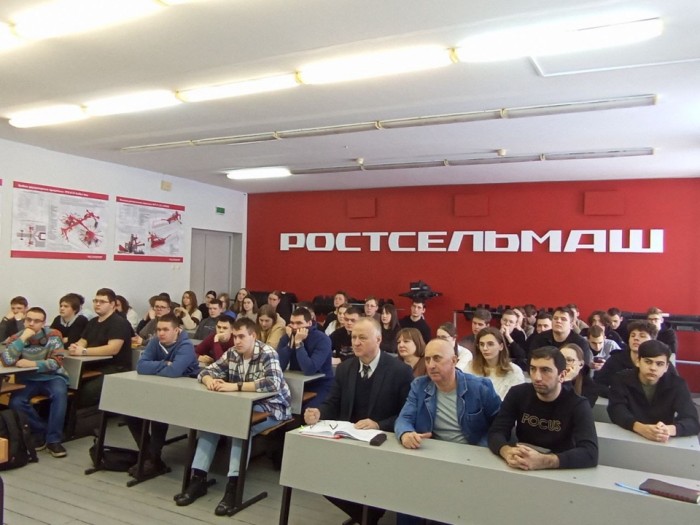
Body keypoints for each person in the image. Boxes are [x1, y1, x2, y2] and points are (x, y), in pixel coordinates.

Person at [174, 318, 291, 515]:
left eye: (241, 336)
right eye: (235, 337)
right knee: (210, 425)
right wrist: (210, 380)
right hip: (242, 406)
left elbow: (273, 383)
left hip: (273, 407)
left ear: (253, 336)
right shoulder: (232, 353)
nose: (237, 341)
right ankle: (198, 479)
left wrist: (234, 386)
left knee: (239, 428)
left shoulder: (267, 353)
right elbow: (206, 371)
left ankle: (233, 487)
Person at [303, 317, 413, 525]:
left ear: (378, 339)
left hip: (383, 443)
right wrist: (318, 412)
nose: (356, 342)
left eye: (362, 338)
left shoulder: (400, 371)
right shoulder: (346, 368)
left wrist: (379, 424)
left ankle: (369, 514)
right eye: (354, 337)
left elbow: (406, 415)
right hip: (349, 440)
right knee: (316, 475)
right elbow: (333, 402)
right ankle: (368, 516)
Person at [488, 346, 598, 470]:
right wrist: (506, 451)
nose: (537, 377)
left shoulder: (578, 404)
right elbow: (496, 432)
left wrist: (544, 461)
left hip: (558, 467)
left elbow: (590, 452)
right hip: (522, 459)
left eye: (545, 370)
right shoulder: (517, 393)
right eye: (533, 369)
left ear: (562, 375)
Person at [126, 313, 198, 477]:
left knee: (159, 413)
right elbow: (141, 366)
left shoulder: (186, 346)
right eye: (158, 329)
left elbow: (174, 371)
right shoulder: (155, 342)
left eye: (166, 329)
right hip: (159, 389)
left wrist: (156, 367)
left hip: (185, 394)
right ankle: (151, 458)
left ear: (177, 330)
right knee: (129, 413)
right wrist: (164, 363)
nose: (161, 333)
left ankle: (151, 459)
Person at [395, 338, 501, 448]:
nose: (431, 365)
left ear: (454, 361)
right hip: (432, 449)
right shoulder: (419, 386)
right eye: (427, 360)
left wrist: (483, 447)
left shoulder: (480, 387)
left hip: (473, 450)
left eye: (437, 358)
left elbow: (500, 424)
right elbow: (404, 418)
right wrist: (405, 433)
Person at [3, 307, 69, 458]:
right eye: (28, 320)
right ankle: (42, 430)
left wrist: (33, 364)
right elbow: (7, 360)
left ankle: (54, 440)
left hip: (52, 377)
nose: (31, 323)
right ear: (24, 320)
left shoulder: (54, 335)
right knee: (16, 402)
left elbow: (57, 362)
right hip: (27, 379)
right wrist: (22, 339)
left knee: (60, 394)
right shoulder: (16, 337)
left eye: (36, 321)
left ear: (43, 323)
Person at [608, 340, 699, 441]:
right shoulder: (621, 379)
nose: (653, 368)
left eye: (659, 364)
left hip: (663, 438)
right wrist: (640, 428)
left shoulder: (677, 384)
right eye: (648, 362)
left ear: (666, 367)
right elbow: (615, 409)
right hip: (629, 435)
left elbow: (692, 420)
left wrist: (668, 430)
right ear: (638, 361)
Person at [68, 288, 133, 406]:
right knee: (68, 383)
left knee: (88, 390)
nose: (97, 304)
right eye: (95, 301)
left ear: (112, 304)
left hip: (114, 369)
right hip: (92, 365)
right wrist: (75, 347)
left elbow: (113, 349)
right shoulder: (93, 322)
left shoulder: (119, 322)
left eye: (102, 301)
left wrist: (83, 351)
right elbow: (83, 340)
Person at [277, 307, 333, 407]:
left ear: (309, 323)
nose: (294, 327)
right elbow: (279, 367)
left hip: (320, 385)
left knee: (307, 409)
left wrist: (298, 345)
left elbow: (309, 369)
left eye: (299, 323)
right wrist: (291, 343)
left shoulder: (322, 339)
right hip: (295, 384)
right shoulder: (287, 337)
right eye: (292, 323)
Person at [594, 320, 665, 396]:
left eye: (642, 336)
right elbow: (598, 384)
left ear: (652, 341)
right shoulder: (616, 359)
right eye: (633, 335)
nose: (636, 338)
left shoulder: (660, 361)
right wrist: (618, 394)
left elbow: (671, 388)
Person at [467, 327, 524, 400]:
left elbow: (518, 401)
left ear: (501, 346)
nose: (485, 348)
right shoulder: (470, 367)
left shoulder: (514, 371)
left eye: (490, 344)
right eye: (481, 344)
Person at [560, 343, 598, 407]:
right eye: (560, 359)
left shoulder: (590, 386)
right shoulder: (550, 379)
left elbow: (579, 409)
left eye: (569, 360)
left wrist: (567, 381)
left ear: (581, 364)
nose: (563, 363)